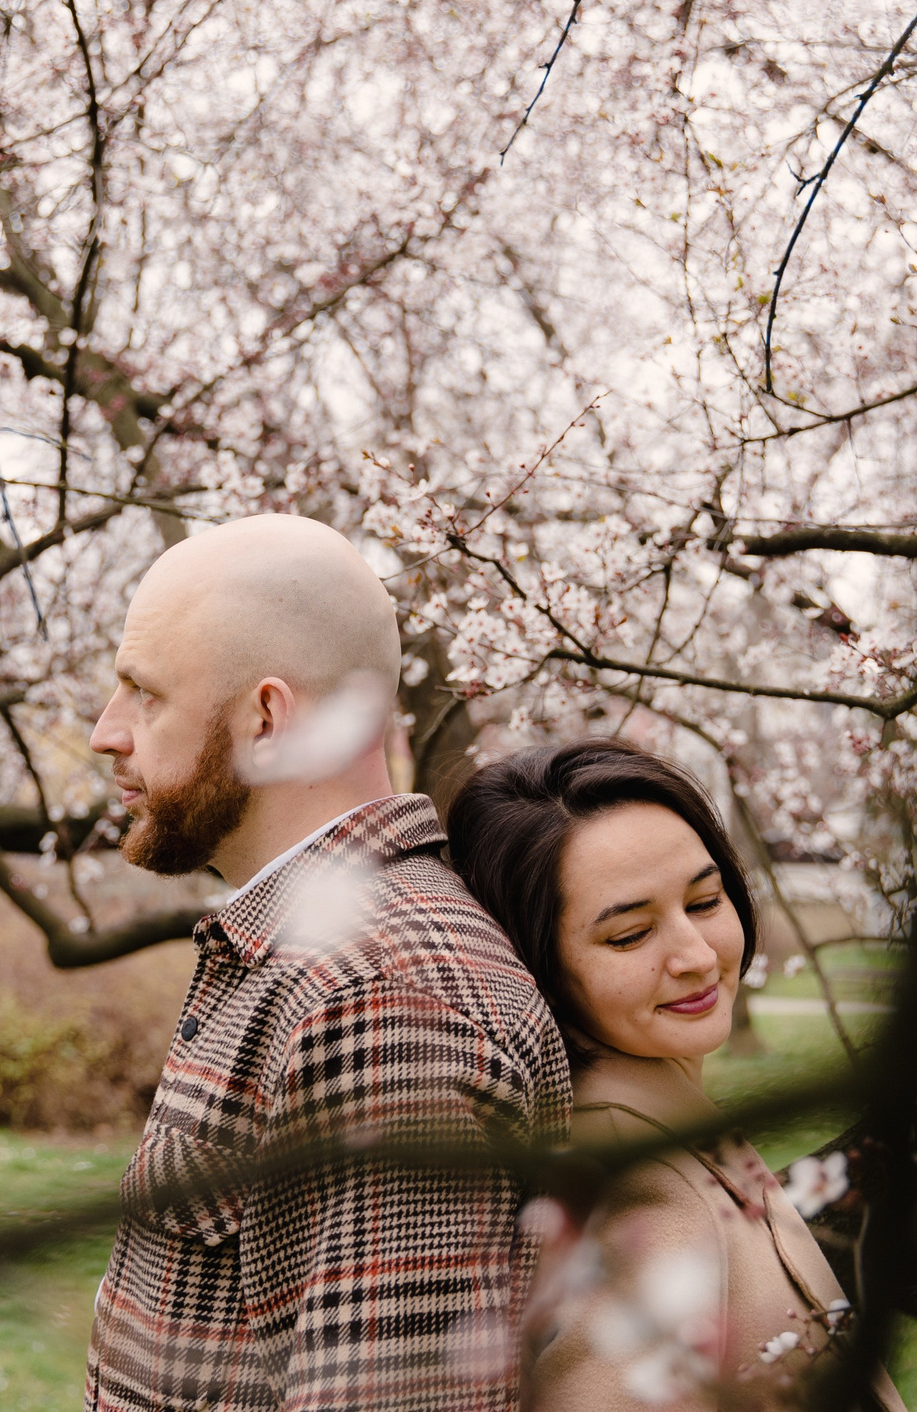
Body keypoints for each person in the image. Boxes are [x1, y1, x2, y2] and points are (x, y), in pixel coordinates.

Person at [82, 514, 571, 1412]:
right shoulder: (309, 960)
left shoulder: (381, 999)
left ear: (268, 718)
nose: (106, 732)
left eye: (142, 692)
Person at [447, 740, 904, 1412]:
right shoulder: (637, 1180)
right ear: (534, 959)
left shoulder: (671, 1119)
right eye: (629, 934)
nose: (694, 954)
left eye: (705, 899)